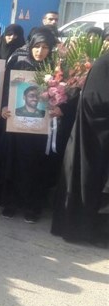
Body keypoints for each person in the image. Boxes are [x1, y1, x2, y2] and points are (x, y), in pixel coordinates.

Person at [0, 28, 64, 223]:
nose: (40, 51)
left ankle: (33, 206)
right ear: (30, 46)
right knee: (13, 163)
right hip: (17, 126)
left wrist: (60, 108)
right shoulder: (18, 61)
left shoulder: (56, 68)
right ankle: (10, 202)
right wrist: (3, 107)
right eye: (37, 46)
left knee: (36, 166)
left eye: (45, 47)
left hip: (41, 129)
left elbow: (65, 93)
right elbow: (4, 87)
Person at [51, 51, 109, 244]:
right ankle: (86, 231)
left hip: (99, 139)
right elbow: (95, 100)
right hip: (93, 138)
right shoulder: (104, 64)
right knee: (89, 182)